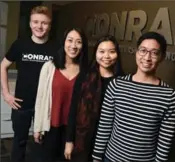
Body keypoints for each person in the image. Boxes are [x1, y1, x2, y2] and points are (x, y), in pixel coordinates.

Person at [92, 32, 175, 162]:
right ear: (136, 53)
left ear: (162, 57)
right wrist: (96, 157)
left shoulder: (169, 97)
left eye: (154, 53)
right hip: (111, 158)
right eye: (143, 51)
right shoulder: (116, 85)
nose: (147, 57)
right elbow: (105, 126)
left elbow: (164, 144)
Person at [0, 6, 59, 162]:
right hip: (22, 104)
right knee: (19, 141)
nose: (39, 26)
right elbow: (3, 65)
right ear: (30, 23)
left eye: (44, 23)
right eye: (36, 22)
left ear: (50, 25)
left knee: (43, 143)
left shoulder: (57, 48)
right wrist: (6, 94)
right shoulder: (20, 44)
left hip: (46, 105)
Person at [64, 35, 123, 161]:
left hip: (110, 144)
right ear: (95, 53)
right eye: (101, 51)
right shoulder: (84, 76)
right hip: (83, 139)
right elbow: (73, 109)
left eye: (111, 52)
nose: (106, 56)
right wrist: (69, 141)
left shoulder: (123, 81)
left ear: (117, 54)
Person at [33, 27, 88, 162]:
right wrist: (37, 127)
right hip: (51, 125)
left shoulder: (86, 72)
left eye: (78, 42)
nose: (73, 46)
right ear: (63, 42)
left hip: (74, 129)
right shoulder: (49, 67)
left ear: (83, 46)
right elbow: (40, 98)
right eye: (70, 40)